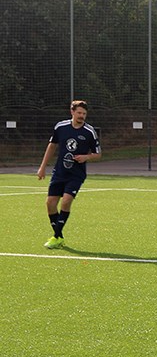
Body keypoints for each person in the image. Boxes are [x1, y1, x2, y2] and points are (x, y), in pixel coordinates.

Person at [36, 100, 101, 248]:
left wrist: (86, 157)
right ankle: (59, 237)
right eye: (79, 113)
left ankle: (55, 236)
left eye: (84, 114)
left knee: (66, 201)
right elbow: (52, 146)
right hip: (59, 172)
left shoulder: (89, 131)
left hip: (76, 174)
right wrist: (42, 167)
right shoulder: (61, 127)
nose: (81, 116)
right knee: (50, 203)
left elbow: (98, 154)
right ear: (72, 112)